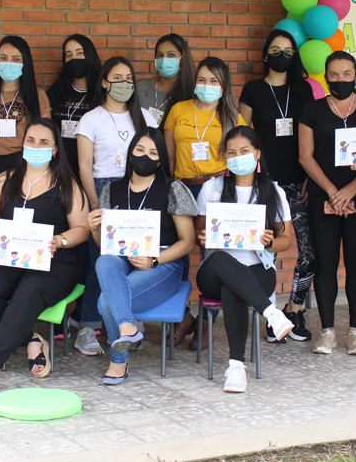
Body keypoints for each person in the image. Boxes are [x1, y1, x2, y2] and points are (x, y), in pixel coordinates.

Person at [0, 118, 89, 393]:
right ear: (23, 144)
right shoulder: (4, 180)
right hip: (13, 256)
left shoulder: (67, 184)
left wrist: (60, 240)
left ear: (55, 149)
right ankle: (31, 340)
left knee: (27, 294)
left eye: (44, 142)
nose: (36, 147)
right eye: (31, 140)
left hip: (56, 260)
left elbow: (83, 228)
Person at [88, 127, 197, 385]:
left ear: (160, 159)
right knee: (104, 260)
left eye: (152, 152)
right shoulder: (112, 190)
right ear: (130, 153)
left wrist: (155, 260)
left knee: (106, 302)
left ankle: (118, 361)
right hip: (121, 258)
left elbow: (188, 241)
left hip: (163, 262)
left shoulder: (173, 189)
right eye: (139, 150)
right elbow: (104, 244)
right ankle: (128, 326)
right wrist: (95, 228)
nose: (144, 157)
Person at [298, 51, 356, 356]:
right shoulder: (312, 110)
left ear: (355, 75)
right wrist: (334, 191)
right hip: (324, 197)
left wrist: (350, 189)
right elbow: (305, 156)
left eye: (346, 74)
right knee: (325, 264)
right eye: (334, 75)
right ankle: (327, 331)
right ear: (326, 76)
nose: (340, 80)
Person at [195, 126, 294, 392]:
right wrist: (203, 237)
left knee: (234, 286)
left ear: (257, 154)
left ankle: (236, 367)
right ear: (224, 157)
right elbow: (198, 232)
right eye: (231, 152)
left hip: (258, 268)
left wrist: (270, 241)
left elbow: (286, 241)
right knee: (222, 263)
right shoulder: (212, 189)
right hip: (214, 270)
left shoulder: (274, 192)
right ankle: (272, 313)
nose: (238, 157)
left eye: (244, 151)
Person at [75, 57, 158, 355]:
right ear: (105, 82)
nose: (125, 83)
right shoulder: (91, 119)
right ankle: (87, 325)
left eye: (129, 78)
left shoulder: (145, 118)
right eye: (117, 78)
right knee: (100, 259)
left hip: (139, 192)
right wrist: (96, 203)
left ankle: (127, 323)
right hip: (104, 190)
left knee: (135, 258)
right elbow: (85, 166)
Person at [164, 56, 246, 350]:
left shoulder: (233, 117)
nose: (207, 86)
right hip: (182, 189)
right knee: (178, 256)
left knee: (212, 258)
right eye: (202, 79)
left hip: (216, 190)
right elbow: (170, 158)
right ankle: (181, 317)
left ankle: (207, 322)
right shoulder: (178, 110)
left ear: (224, 87)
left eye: (214, 81)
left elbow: (240, 162)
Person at [239, 29, 316, 343]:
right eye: (275, 49)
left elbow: (315, 136)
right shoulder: (253, 89)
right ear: (265, 54)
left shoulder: (304, 91)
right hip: (264, 185)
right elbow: (241, 137)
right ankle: (270, 314)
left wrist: (312, 175)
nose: (281, 55)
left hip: (300, 182)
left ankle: (294, 310)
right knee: (260, 250)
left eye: (287, 50)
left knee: (309, 252)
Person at [0, 35, 51, 183]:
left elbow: (47, 139)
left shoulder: (37, 96)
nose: (9, 63)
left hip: (23, 162)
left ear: (25, 62)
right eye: (4, 58)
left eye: (16, 59)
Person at [47, 34, 101, 179]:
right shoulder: (56, 92)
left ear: (89, 55)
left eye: (79, 53)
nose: (74, 59)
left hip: (93, 168)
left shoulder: (101, 92)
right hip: (60, 168)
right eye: (68, 55)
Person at [137, 33, 196, 127]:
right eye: (160, 55)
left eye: (171, 55)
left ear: (183, 58)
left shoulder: (193, 91)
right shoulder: (140, 88)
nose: (164, 60)